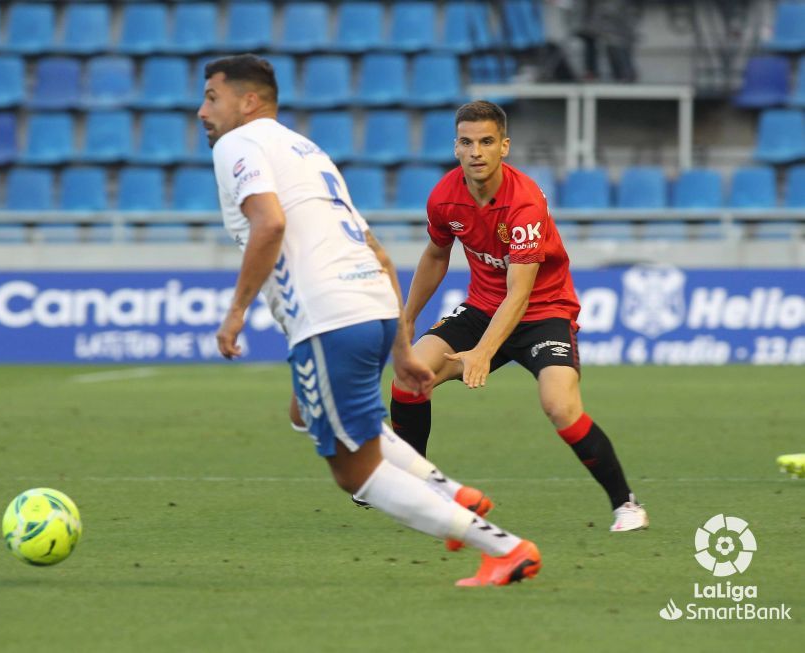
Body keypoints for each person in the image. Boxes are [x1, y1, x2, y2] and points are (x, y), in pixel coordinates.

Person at [200, 54, 541, 586]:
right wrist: (401, 344)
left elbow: (268, 224)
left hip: (329, 315)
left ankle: (502, 545)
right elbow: (375, 248)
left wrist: (236, 310)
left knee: (351, 468)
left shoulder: (238, 145)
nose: (203, 111)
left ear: (248, 102)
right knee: (305, 413)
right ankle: (449, 493)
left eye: (212, 97)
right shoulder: (305, 150)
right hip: (370, 306)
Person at [389, 100, 648, 535]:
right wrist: (407, 318)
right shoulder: (444, 197)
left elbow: (520, 292)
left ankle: (625, 503)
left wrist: (482, 353)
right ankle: (411, 488)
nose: (476, 151)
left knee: (559, 405)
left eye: (486, 142)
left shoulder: (524, 202)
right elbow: (436, 254)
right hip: (481, 307)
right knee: (411, 374)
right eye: (467, 142)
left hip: (543, 313)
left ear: (503, 147)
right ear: (455, 147)